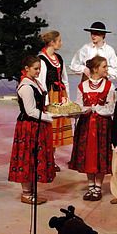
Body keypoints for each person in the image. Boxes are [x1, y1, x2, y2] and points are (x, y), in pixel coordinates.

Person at [9, 55, 62, 205]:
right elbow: (30, 111)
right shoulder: (26, 87)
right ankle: (26, 193)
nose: (38, 71)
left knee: (34, 157)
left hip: (37, 124)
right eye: (35, 69)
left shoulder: (34, 82)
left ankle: (31, 191)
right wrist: (49, 117)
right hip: (29, 126)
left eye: (39, 68)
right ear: (27, 69)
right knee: (28, 158)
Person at [69, 55, 116, 201]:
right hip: (86, 125)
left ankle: (98, 187)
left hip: (102, 125)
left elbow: (111, 108)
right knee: (88, 154)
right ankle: (91, 186)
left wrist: (97, 109)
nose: (106, 69)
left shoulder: (109, 86)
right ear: (95, 69)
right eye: (104, 66)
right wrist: (82, 110)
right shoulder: (82, 86)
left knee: (100, 154)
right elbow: (79, 105)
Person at [38, 30, 72, 168]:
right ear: (52, 42)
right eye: (59, 41)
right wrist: (46, 103)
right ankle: (47, 160)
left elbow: (65, 79)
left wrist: (66, 97)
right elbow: (41, 82)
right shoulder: (42, 59)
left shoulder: (59, 58)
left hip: (59, 94)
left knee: (57, 128)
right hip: (50, 96)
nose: (61, 43)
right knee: (49, 128)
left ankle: (52, 159)